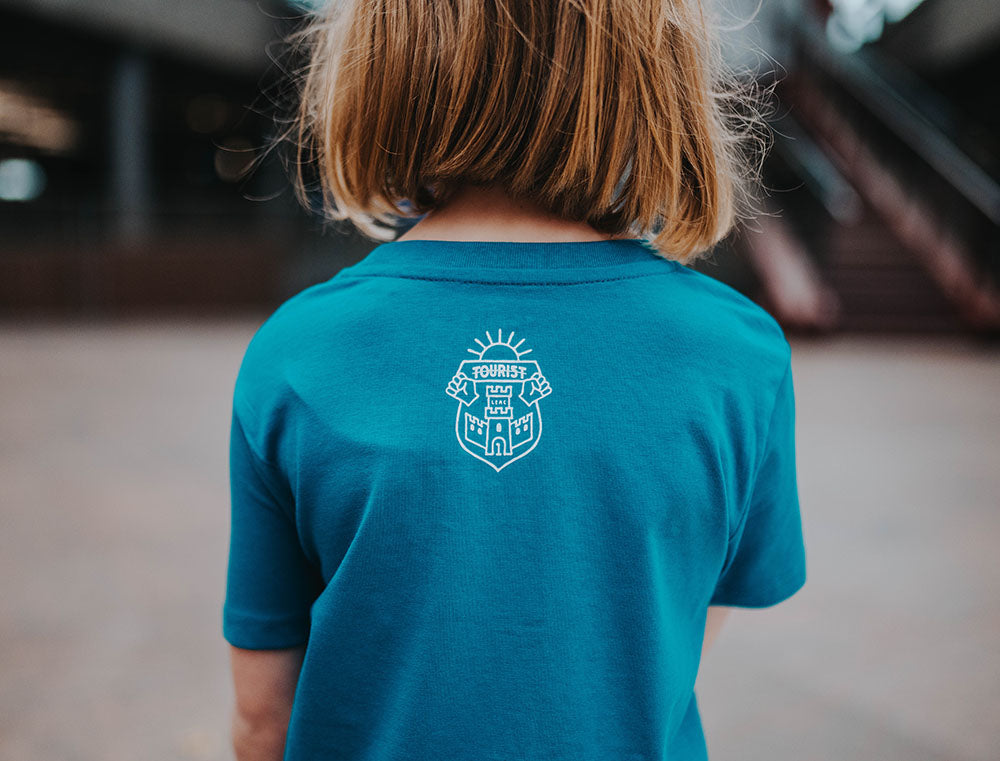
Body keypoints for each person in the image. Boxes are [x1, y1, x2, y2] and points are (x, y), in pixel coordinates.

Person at [223, 2, 806, 760]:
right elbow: (680, 622)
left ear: (382, 59)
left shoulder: (300, 354)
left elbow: (264, 717)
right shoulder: (738, 354)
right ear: (657, 70)